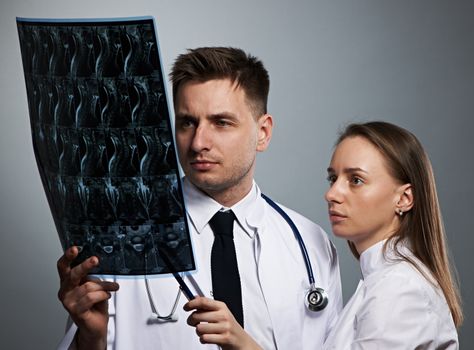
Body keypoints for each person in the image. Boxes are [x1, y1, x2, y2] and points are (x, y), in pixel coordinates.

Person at [57, 47, 342, 350]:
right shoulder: (118, 239)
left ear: (263, 133)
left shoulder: (310, 244)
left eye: (221, 123)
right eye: (187, 123)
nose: (198, 143)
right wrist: (91, 339)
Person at [323, 121, 463, 349]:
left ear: (404, 199)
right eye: (333, 179)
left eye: (356, 180)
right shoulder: (385, 281)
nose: (332, 194)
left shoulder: (398, 288)